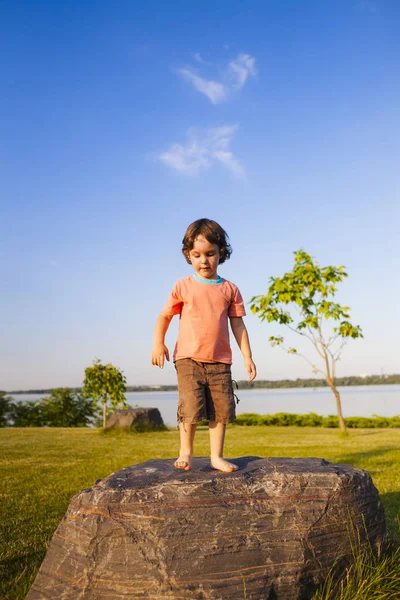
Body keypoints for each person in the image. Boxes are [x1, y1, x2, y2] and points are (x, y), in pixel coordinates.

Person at [151, 218, 256, 472]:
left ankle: (216, 457)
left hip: (220, 360)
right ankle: (185, 452)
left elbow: (238, 325)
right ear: (188, 255)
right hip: (188, 358)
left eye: (210, 254)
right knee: (190, 406)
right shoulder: (183, 286)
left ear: (221, 253)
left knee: (221, 410)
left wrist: (247, 357)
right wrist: (158, 343)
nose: (204, 260)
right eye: (197, 255)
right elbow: (165, 316)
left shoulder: (230, 289)